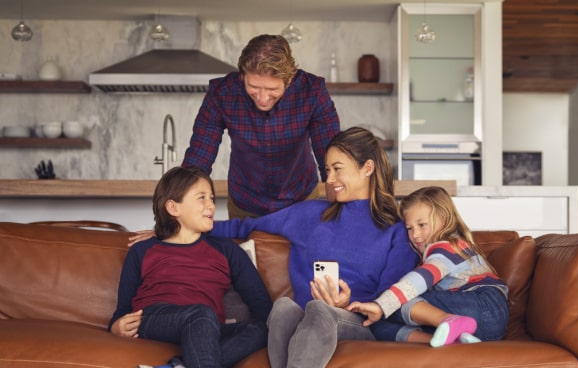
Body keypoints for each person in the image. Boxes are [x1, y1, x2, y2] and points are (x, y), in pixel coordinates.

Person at [205, 126, 420, 367]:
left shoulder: (396, 231)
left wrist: (347, 303)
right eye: (327, 170)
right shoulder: (308, 215)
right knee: (284, 308)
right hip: (305, 317)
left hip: (359, 322)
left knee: (319, 310)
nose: (329, 180)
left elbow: (389, 299)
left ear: (367, 168)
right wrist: (184, 226)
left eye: (338, 169)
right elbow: (243, 227)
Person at [109, 166, 272, 368]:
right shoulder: (143, 250)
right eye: (201, 197)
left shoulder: (226, 250)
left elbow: (262, 305)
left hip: (207, 327)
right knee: (200, 314)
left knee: (259, 329)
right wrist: (116, 327)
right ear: (173, 208)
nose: (211, 206)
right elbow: (122, 310)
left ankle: (179, 366)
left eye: (212, 198)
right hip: (155, 319)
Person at [182, 33, 340, 219]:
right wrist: (174, 221)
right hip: (244, 203)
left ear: (289, 80)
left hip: (301, 201)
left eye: (272, 89)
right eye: (254, 87)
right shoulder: (222, 93)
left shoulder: (312, 91)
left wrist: (339, 215)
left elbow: (332, 159)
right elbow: (198, 159)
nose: (263, 99)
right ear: (242, 76)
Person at [347, 186, 509, 347]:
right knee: (378, 326)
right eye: (409, 228)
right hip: (486, 329)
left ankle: (447, 321)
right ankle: (451, 339)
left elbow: (419, 280)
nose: (415, 234)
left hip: (484, 306)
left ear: (444, 219)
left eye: (422, 225)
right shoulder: (438, 252)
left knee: (396, 300)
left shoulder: (447, 248)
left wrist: (380, 305)